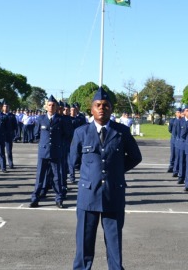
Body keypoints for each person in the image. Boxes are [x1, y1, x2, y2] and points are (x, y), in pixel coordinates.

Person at [70, 86, 142, 270]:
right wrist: (90, 174)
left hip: (113, 193)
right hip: (88, 195)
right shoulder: (81, 132)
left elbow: (135, 157)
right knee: (84, 244)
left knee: (114, 243)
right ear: (91, 109)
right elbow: (73, 160)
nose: (102, 108)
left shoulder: (121, 132)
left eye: (106, 105)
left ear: (111, 109)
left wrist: (116, 171)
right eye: (98, 105)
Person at [29, 96, 71, 208]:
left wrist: (58, 145)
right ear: (46, 106)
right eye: (49, 105)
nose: (51, 107)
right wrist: (44, 143)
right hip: (43, 152)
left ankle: (59, 199)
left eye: (53, 105)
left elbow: (66, 135)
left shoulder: (60, 120)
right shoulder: (40, 119)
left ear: (56, 107)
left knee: (57, 177)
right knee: (40, 177)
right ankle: (35, 198)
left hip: (56, 152)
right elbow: (36, 134)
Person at [167, 107, 181, 173]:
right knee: (173, 154)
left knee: (178, 154)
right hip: (173, 139)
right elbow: (170, 129)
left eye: (180, 112)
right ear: (175, 113)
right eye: (177, 112)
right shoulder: (172, 120)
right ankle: (171, 166)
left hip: (179, 140)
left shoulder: (182, 120)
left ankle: (177, 167)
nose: (178, 114)